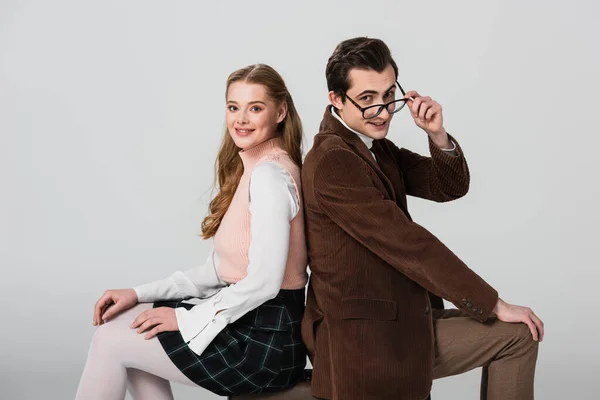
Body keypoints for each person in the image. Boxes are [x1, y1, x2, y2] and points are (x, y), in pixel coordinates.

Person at [300, 37, 544, 400]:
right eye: (367, 99)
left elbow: (447, 185)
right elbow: (409, 243)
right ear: (335, 98)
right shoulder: (335, 162)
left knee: (519, 335)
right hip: (364, 340)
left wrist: (436, 134)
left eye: (387, 95)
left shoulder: (371, 146)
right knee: (516, 336)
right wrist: (492, 303)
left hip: (401, 317)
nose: (382, 111)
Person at [75, 64, 309, 400]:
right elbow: (216, 272)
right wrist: (138, 294)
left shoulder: (270, 176)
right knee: (129, 326)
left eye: (254, 108)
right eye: (233, 107)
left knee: (111, 340)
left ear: (280, 111)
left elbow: (264, 282)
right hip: (249, 323)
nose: (241, 119)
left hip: (265, 343)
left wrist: (185, 320)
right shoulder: (256, 168)